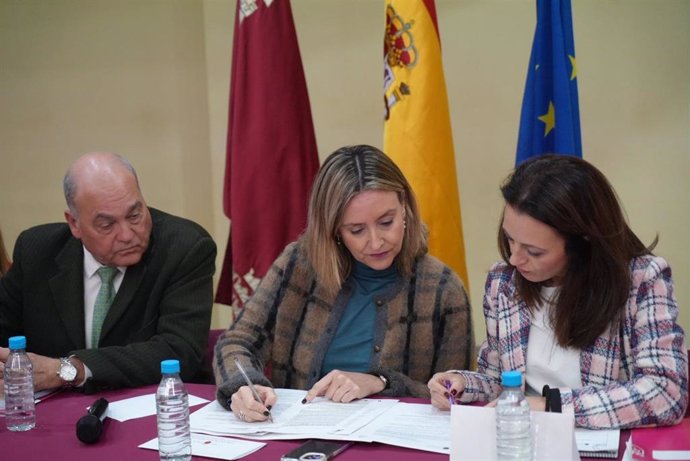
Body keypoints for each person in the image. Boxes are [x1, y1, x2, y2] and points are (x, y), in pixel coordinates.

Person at [214, 144, 473, 422]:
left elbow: (454, 396)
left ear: (405, 209)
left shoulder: (443, 289)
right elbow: (237, 343)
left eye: (387, 222)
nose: (375, 241)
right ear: (334, 230)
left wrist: (382, 382)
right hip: (298, 436)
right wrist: (243, 386)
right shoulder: (299, 265)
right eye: (356, 230)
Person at [428, 154, 688, 429]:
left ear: (583, 240)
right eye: (509, 239)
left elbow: (666, 393)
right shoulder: (503, 282)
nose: (515, 259)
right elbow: (497, 381)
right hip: (520, 441)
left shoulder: (642, 279)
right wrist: (461, 384)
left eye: (534, 251)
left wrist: (552, 406)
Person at [0, 152, 216, 393]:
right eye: (107, 225)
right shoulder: (36, 252)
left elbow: (179, 351)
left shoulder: (184, 248)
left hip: (150, 412)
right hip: (52, 415)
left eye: (135, 215)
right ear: (74, 223)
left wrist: (70, 370)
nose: (127, 234)